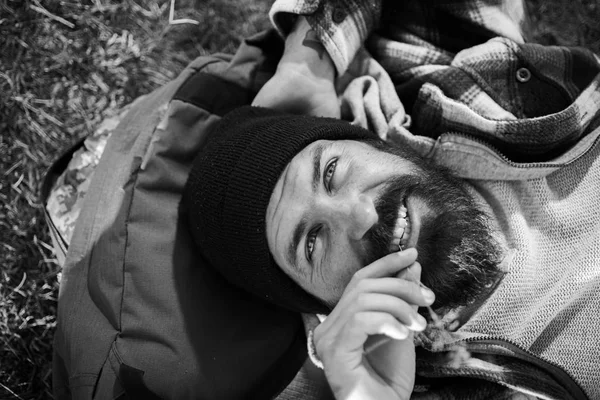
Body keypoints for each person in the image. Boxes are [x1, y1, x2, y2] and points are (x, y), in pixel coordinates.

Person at [183, 0, 600, 399]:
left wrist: (306, 64)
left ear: (371, 141)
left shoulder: (459, 93)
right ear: (323, 307)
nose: (361, 215)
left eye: (331, 172)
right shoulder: (429, 384)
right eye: (311, 244)